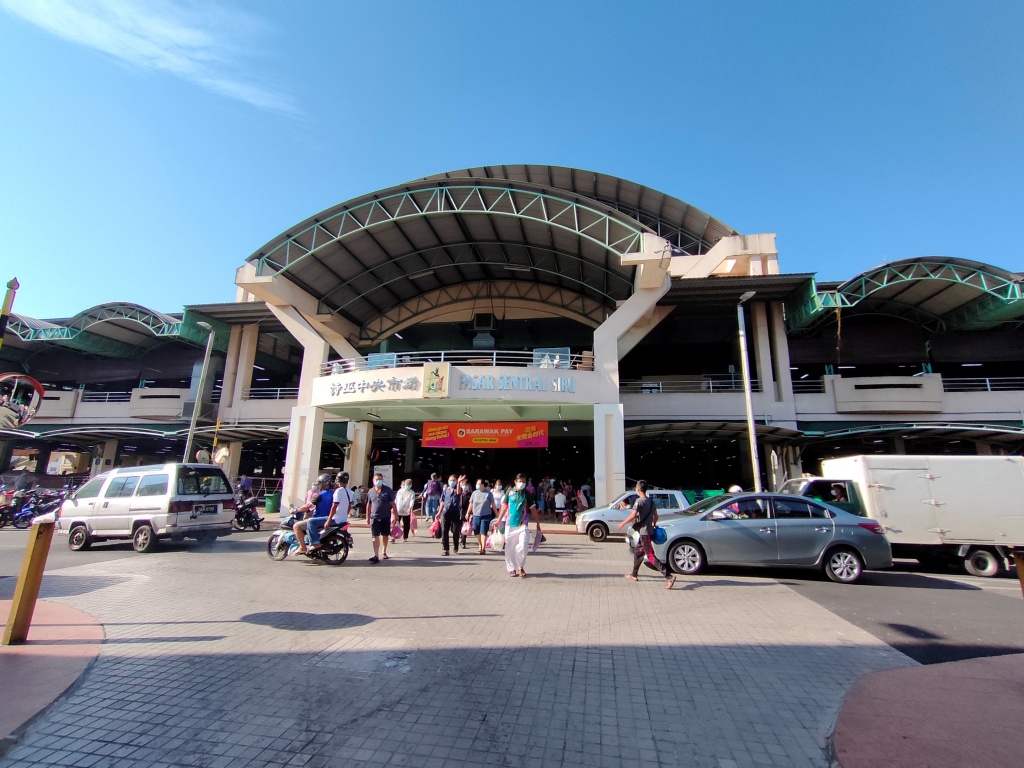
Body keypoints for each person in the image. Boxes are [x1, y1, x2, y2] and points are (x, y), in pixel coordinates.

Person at [618, 479, 675, 589]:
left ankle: (669, 576)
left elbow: (633, 515)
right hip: (648, 531)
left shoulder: (639, 501)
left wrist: (623, 523)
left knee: (650, 556)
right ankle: (634, 574)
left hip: (645, 534)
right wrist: (652, 524)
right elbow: (656, 517)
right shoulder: (651, 501)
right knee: (638, 552)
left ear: (638, 489)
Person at [494, 473, 540, 578]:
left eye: (524, 482)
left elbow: (533, 509)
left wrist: (538, 523)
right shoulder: (509, 493)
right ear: (515, 482)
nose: (522, 483)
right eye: (520, 481)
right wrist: (498, 520)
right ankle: (511, 568)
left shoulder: (527, 494)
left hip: (523, 524)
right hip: (510, 524)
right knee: (509, 548)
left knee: (523, 545)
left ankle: (520, 566)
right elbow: (504, 507)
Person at [307, 472, 353, 548]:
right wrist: (345, 515)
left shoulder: (338, 491)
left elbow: (334, 506)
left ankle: (315, 543)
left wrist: (328, 520)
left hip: (336, 519)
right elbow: (349, 506)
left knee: (310, 522)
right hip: (343, 519)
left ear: (337, 480)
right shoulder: (349, 491)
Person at [293, 474, 334, 555]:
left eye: (319, 483)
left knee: (297, 526)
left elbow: (308, 505)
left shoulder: (320, 495)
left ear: (324, 483)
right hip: (329, 518)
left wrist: (296, 510)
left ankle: (303, 547)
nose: (318, 485)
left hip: (319, 519)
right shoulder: (334, 493)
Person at [365, 473, 398, 562]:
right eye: (377, 479)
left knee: (385, 535)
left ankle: (384, 552)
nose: (378, 481)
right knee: (375, 535)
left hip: (385, 516)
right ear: (373, 480)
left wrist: (396, 515)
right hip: (374, 517)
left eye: (380, 479)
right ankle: (376, 555)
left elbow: (393, 504)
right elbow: (368, 505)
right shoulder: (370, 491)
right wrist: (367, 517)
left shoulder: (388, 490)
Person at [469, 478, 497, 554]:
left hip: (486, 515)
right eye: (477, 484)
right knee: (477, 531)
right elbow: (471, 503)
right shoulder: (474, 493)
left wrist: (497, 514)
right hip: (476, 515)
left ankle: (483, 548)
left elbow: (493, 504)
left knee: (483, 531)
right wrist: (468, 513)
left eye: (479, 484)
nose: (477, 485)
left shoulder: (488, 494)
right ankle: (480, 545)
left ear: (483, 485)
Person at [437, 474, 463, 555]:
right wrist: (439, 512)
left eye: (454, 480)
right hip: (446, 512)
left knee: (455, 531)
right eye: (450, 480)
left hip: (455, 512)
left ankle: (456, 545)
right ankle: (446, 549)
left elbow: (459, 492)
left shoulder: (458, 489)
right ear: (448, 481)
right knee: (444, 530)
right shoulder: (445, 490)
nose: (452, 482)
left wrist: (458, 483)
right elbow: (442, 502)